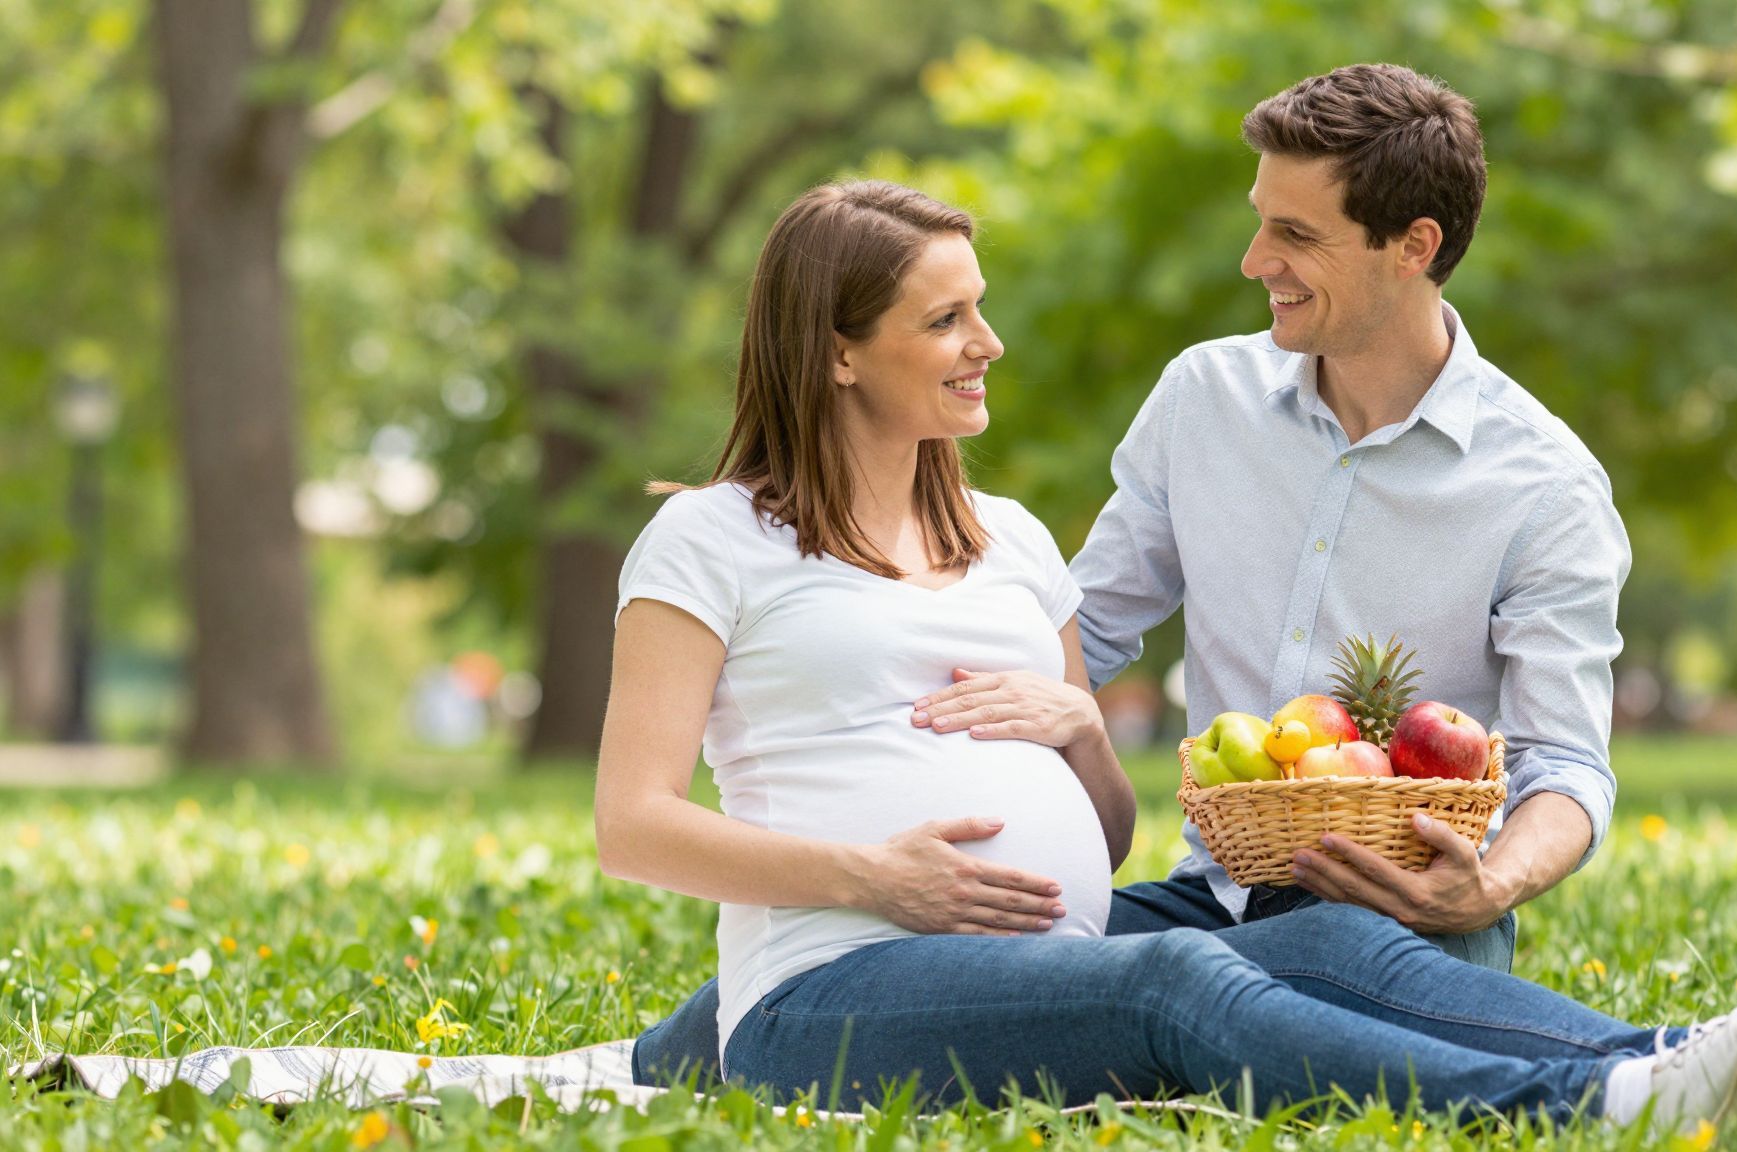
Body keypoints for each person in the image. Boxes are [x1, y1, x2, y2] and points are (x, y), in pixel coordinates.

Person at [600, 178, 1737, 1140]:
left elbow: (1097, 844)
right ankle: (1598, 1107)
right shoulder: (711, 541)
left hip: (1043, 959)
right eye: (947, 318)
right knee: (1174, 977)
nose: (988, 341)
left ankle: (1694, 1053)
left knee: (1332, 943)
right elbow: (632, 826)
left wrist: (1084, 737)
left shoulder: (1012, 544)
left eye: (980, 307)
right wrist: (869, 874)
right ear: (834, 349)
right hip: (829, 992)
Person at [645, 61, 1626, 1080]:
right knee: (918, 961)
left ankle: (1639, 1075)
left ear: (1411, 247)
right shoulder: (1204, 398)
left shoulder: (1541, 484)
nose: (1255, 261)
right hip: (1218, 894)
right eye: (1258, 221)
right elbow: (1078, 629)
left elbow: (1565, 762)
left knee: (1243, 972)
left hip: (1407, 903)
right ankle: (642, 1061)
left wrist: (1490, 886)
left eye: (1294, 235)